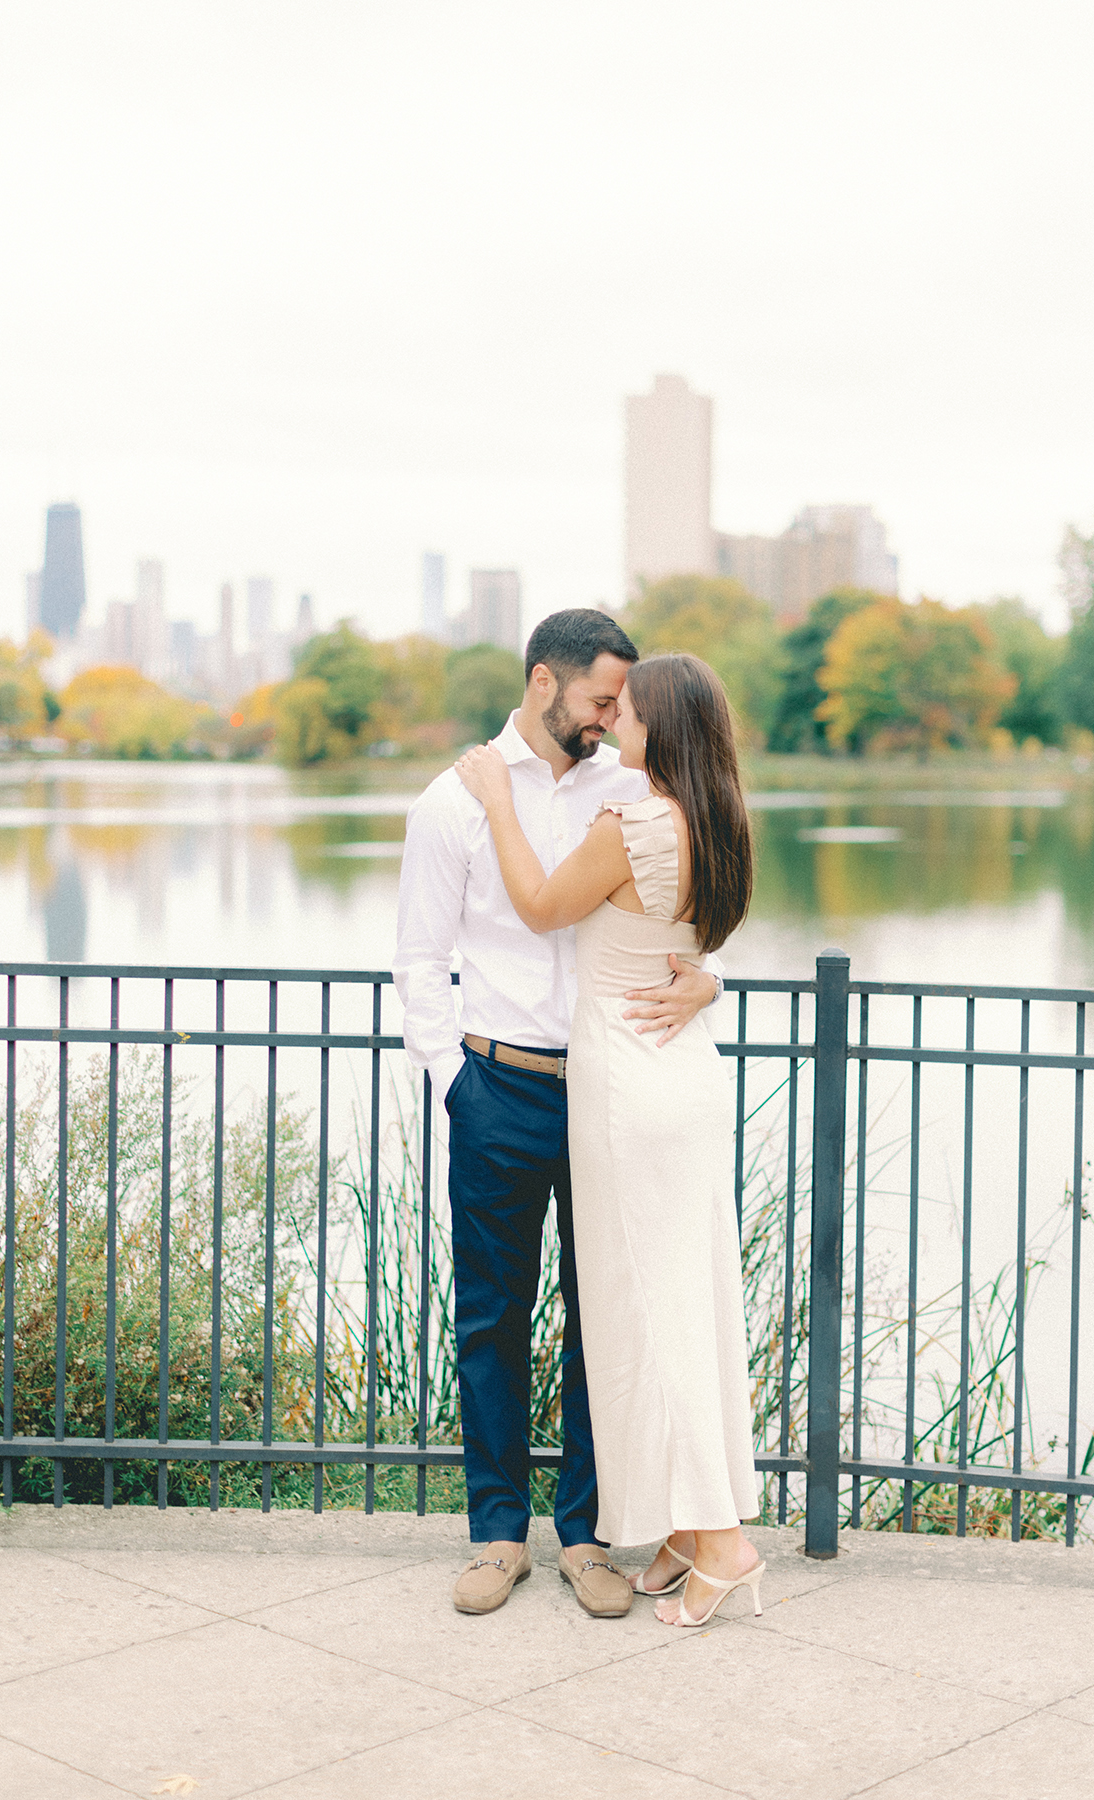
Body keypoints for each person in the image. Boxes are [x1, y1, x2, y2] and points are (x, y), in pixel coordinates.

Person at [393, 611, 723, 1618]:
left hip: (611, 1095)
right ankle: (498, 1532)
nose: (612, 717)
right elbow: (419, 959)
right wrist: (456, 1076)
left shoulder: (632, 788)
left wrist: (711, 981)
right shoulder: (453, 803)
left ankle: (587, 1536)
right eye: (599, 700)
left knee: (606, 1315)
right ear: (545, 682)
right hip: (499, 1087)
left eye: (621, 704)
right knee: (490, 1317)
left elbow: (689, 908)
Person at [454, 651, 763, 1629]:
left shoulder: (630, 821)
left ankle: (723, 1542)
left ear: (657, 727)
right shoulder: (715, 817)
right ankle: (685, 1527)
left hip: (631, 1084)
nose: (610, 721)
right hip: (687, 1076)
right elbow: (694, 946)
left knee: (657, 1317)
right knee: (692, 1303)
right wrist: (708, 980)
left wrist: (499, 800)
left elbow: (542, 906)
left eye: (625, 710)